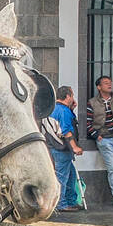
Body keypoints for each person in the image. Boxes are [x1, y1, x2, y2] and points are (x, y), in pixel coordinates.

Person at [86, 74, 113, 206]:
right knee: (112, 168)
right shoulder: (92, 103)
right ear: (99, 87)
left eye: (110, 82)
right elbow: (88, 123)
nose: (109, 84)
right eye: (105, 83)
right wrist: (96, 135)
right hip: (104, 138)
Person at [46, 86, 84, 214]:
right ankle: (61, 203)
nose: (73, 98)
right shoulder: (63, 111)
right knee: (62, 177)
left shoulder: (52, 109)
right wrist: (74, 147)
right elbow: (66, 131)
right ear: (68, 96)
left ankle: (70, 201)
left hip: (53, 147)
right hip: (62, 149)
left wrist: (71, 109)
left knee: (71, 175)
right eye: (72, 95)